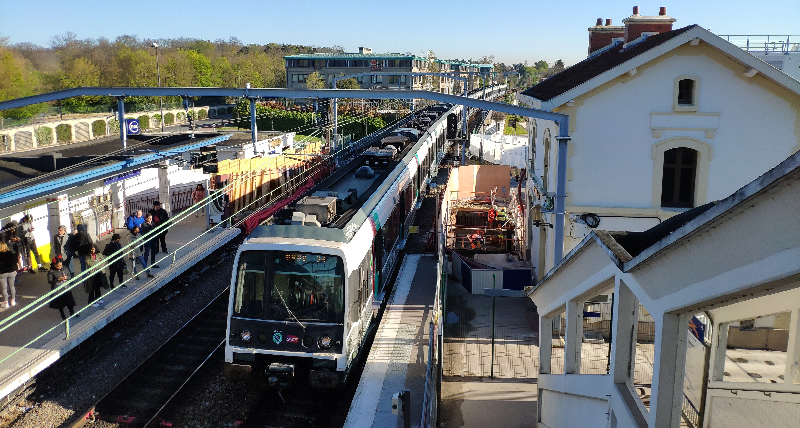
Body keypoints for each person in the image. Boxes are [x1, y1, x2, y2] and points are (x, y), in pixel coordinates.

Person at [0, 242, 18, 308]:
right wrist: (15, 270)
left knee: (4, 288)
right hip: (11, 272)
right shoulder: (11, 253)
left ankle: (6, 302)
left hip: (2, 273)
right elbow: (15, 262)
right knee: (12, 286)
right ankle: (13, 301)